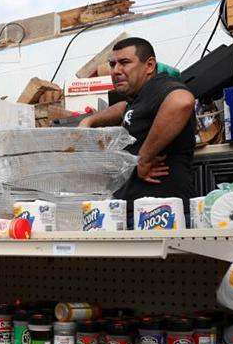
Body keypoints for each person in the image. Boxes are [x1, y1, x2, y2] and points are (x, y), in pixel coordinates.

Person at [78, 37, 196, 226]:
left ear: (149, 65)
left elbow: (182, 102)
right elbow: (125, 108)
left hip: (161, 216)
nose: (116, 70)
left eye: (124, 63)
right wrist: (90, 120)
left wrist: (144, 158)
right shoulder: (141, 97)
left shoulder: (159, 86)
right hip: (138, 214)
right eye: (112, 64)